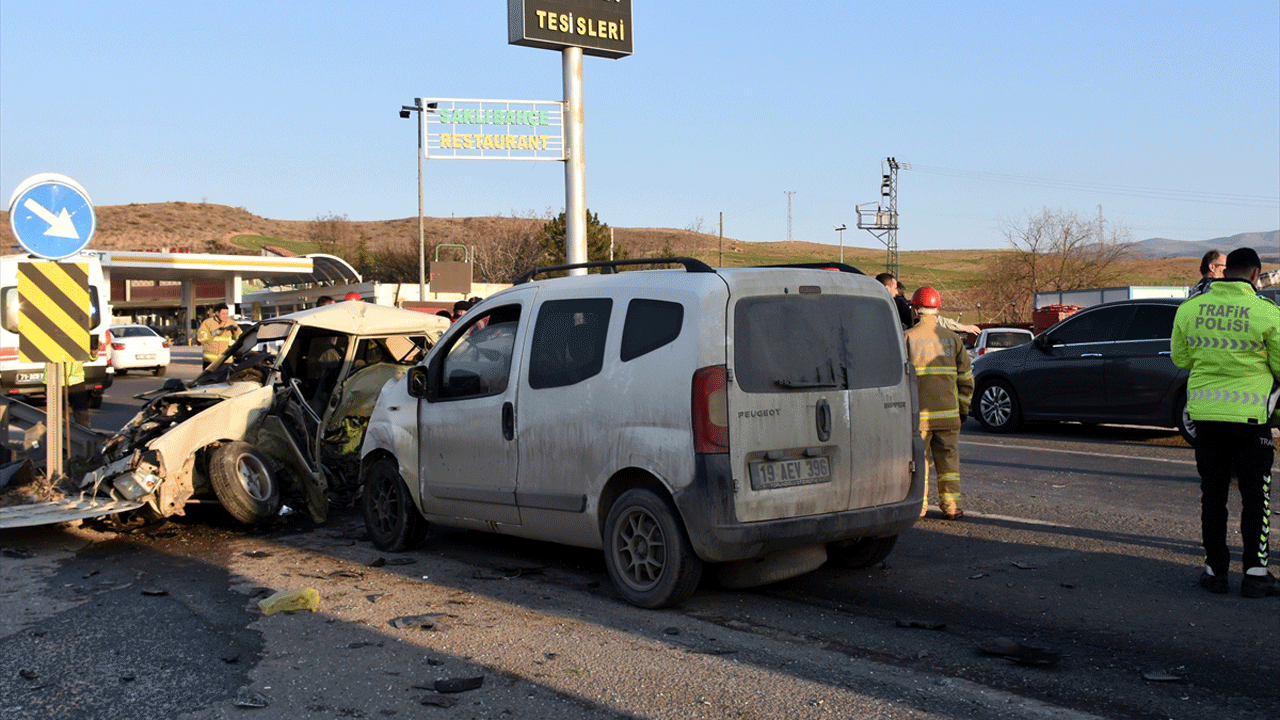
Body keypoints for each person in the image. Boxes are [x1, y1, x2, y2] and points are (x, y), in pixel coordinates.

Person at [1171, 247, 1280, 597]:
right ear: (1254, 274)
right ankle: (1255, 574)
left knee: (1213, 496)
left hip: (1206, 418)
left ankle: (1215, 572)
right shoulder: (1267, 312)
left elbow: (1181, 357)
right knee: (1255, 497)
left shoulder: (1189, 310)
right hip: (1252, 420)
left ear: (1224, 271)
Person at [904, 286, 973, 520]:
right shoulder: (953, 339)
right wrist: (962, 409)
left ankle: (919, 508)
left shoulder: (906, 338)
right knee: (949, 466)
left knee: (920, 465)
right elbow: (966, 379)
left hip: (918, 418)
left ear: (915, 309)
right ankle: (952, 507)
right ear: (937, 309)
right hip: (948, 416)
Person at [196, 303, 242, 369]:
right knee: (209, 379)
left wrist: (236, 330)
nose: (225, 316)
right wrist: (213, 334)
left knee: (224, 379)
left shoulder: (231, 323)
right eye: (223, 314)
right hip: (210, 361)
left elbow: (240, 338)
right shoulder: (207, 323)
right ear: (217, 313)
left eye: (227, 314)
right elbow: (200, 339)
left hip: (226, 361)